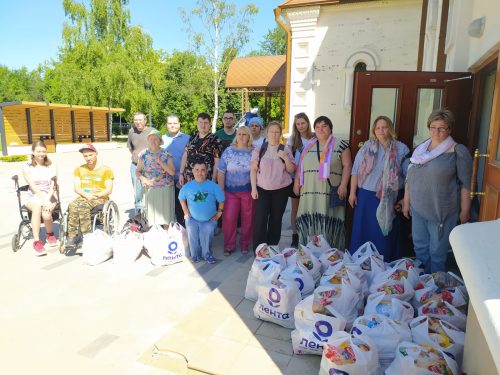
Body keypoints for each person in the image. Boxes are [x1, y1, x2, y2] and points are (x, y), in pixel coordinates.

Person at [403, 109, 472, 273]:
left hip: (442, 209)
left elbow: (465, 184)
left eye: (442, 128)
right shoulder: (421, 150)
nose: (436, 132)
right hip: (418, 207)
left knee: (437, 251)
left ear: (449, 129)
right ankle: (423, 287)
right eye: (433, 127)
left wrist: (466, 210)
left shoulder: (457, 151)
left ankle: (436, 288)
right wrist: (406, 202)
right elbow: (410, 178)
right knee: (419, 247)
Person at [348, 116, 409, 260]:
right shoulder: (366, 147)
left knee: (384, 235)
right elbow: (355, 171)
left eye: (385, 127)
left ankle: (384, 263)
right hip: (366, 197)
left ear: (390, 129)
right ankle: (360, 262)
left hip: (389, 198)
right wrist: (352, 193)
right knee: (363, 232)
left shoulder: (401, 149)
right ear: (374, 131)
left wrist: (405, 200)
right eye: (378, 128)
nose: (381, 130)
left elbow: (408, 177)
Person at [294, 116, 352, 249]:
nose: (320, 129)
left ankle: (330, 254)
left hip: (328, 193)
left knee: (327, 222)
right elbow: (300, 166)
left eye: (324, 126)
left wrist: (343, 185)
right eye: (317, 127)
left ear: (330, 128)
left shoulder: (340, 145)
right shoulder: (307, 146)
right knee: (308, 219)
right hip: (308, 192)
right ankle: (308, 252)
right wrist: (297, 181)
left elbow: (348, 165)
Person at [251, 121, 296, 251]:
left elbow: (291, 169)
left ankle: (272, 248)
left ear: (280, 134)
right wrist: (253, 188)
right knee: (260, 220)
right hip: (262, 190)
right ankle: (259, 250)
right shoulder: (259, 149)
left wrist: (286, 158)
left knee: (276, 220)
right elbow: (253, 170)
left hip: (280, 191)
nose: (274, 134)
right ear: (267, 133)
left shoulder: (285, 149)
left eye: (277, 132)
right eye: (272, 131)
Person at [66, 144, 114, 250]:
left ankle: (86, 236)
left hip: (100, 198)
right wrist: (87, 195)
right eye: (85, 156)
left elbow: (109, 189)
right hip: (84, 196)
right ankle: (72, 236)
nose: (88, 158)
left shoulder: (106, 170)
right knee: (72, 205)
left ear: (96, 154)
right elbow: (77, 187)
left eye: (90, 155)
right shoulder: (79, 169)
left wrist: (97, 195)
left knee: (83, 207)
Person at [217, 126, 254, 255]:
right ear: (236, 136)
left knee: (248, 219)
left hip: (248, 192)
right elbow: (221, 171)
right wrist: (221, 190)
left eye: (245, 134)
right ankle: (229, 245)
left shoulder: (254, 152)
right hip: (230, 191)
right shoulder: (228, 151)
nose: (242, 136)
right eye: (239, 134)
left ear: (249, 136)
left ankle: (245, 244)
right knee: (229, 218)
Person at [179, 162, 225, 264]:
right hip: (193, 219)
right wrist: (186, 211)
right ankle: (195, 255)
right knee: (192, 232)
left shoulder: (213, 186)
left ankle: (207, 254)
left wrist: (219, 213)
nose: (200, 173)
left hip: (209, 219)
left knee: (207, 233)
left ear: (207, 171)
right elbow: (181, 198)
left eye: (203, 170)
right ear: (193, 171)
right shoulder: (188, 186)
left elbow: (221, 200)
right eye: (197, 170)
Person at [22, 141, 58, 256]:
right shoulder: (27, 167)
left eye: (43, 151)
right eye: (38, 151)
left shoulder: (52, 166)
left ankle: (49, 233)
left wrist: (47, 199)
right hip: (33, 196)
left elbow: (53, 185)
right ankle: (37, 241)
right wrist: (43, 200)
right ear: (33, 152)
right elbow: (32, 186)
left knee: (46, 215)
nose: (41, 153)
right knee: (37, 207)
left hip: (49, 195)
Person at [136, 129, 176, 227]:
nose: (153, 141)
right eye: (151, 139)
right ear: (148, 140)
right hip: (149, 188)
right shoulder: (143, 154)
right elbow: (137, 171)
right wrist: (143, 179)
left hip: (165, 187)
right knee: (150, 216)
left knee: (165, 214)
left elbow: (172, 172)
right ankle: (152, 234)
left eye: (156, 139)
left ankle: (166, 234)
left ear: (160, 141)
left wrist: (161, 163)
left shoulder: (166, 153)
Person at [287, 113, 314, 247]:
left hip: (310, 178)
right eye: (298, 124)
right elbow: (289, 158)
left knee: (309, 207)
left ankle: (308, 234)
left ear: (308, 123)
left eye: (303, 123)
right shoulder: (292, 140)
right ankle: (295, 234)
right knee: (295, 208)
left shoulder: (315, 138)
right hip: (295, 179)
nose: (301, 126)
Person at [161, 114, 190, 225]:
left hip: (182, 178)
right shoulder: (162, 139)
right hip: (165, 178)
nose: (173, 125)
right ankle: (169, 229)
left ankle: (182, 228)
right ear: (166, 125)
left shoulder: (187, 138)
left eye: (175, 123)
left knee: (181, 204)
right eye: (170, 123)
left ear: (179, 124)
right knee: (168, 205)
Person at [179, 112, 223, 186]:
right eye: (200, 122)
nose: (203, 125)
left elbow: (217, 162)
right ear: (197, 123)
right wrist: (181, 173)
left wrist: (214, 179)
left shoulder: (215, 140)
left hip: (206, 179)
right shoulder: (193, 136)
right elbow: (185, 155)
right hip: (189, 178)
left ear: (210, 124)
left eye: (206, 123)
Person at [127, 112, 153, 212]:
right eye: (136, 120)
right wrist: (136, 157)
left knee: (150, 190)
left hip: (150, 167)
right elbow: (131, 148)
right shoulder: (131, 132)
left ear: (145, 121)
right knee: (137, 192)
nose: (138, 122)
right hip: (135, 166)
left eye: (140, 120)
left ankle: (151, 213)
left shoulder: (152, 131)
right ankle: (138, 215)